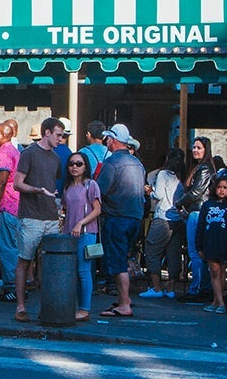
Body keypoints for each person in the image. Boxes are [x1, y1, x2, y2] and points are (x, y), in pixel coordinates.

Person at [12, 117, 63, 323]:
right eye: (58, 135)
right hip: (31, 215)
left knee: (47, 263)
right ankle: (21, 306)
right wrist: (37, 190)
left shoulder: (56, 159)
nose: (61, 139)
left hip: (50, 215)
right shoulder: (29, 153)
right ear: (47, 132)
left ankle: (47, 307)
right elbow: (17, 183)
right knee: (25, 261)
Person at [96, 123, 146, 318]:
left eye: (108, 138)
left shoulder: (112, 163)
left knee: (117, 261)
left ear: (113, 139)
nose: (106, 141)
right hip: (135, 217)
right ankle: (125, 299)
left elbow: (99, 191)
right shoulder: (137, 163)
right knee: (124, 257)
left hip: (116, 217)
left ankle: (124, 303)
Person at [62, 150, 102, 321]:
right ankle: (79, 306)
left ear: (86, 166)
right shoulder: (67, 187)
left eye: (79, 164)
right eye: (71, 164)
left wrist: (80, 223)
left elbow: (98, 209)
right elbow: (65, 209)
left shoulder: (91, 185)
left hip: (86, 233)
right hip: (70, 233)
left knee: (84, 271)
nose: (74, 167)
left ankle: (85, 308)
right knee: (74, 272)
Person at [142, 148, 184, 298]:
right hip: (178, 219)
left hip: (163, 217)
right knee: (174, 253)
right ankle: (171, 288)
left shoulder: (163, 174)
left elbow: (158, 194)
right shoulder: (182, 176)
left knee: (152, 250)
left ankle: (156, 287)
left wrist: (150, 192)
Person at [0, 121, 23, 302]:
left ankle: (11, 288)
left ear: (4, 135)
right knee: (15, 248)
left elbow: (1, 180)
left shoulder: (4, 154)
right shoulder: (16, 152)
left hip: (6, 206)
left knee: (7, 248)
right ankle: (18, 286)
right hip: (17, 206)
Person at [177, 135, 215, 300]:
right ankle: (201, 287)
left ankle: (198, 288)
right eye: (194, 147)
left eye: (199, 147)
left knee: (196, 252)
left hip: (198, 212)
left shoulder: (205, 168)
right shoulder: (200, 167)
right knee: (198, 252)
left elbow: (196, 192)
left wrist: (179, 203)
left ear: (206, 150)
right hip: (196, 211)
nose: (195, 150)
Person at [197, 176, 227, 314]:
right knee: (214, 271)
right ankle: (220, 302)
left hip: (225, 243)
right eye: (219, 187)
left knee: (222, 272)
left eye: (225, 188)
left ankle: (216, 300)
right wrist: (198, 246)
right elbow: (201, 226)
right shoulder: (207, 205)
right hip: (210, 243)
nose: (221, 190)